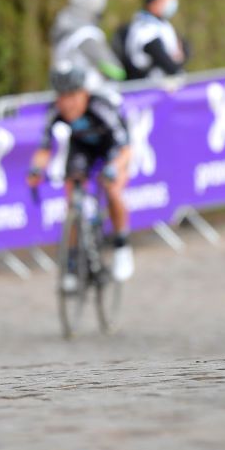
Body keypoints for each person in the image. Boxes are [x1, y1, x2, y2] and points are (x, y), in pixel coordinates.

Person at [27, 61, 133, 291]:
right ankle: (73, 263)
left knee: (113, 188)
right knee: (71, 198)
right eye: (61, 96)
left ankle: (122, 246)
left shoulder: (101, 108)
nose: (66, 103)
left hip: (112, 149)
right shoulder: (55, 111)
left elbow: (126, 149)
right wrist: (35, 169)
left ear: (84, 93)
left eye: (72, 96)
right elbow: (44, 148)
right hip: (82, 148)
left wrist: (114, 167)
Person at [50, 0, 125, 89]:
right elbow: (115, 71)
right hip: (87, 96)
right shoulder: (85, 35)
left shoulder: (62, 29)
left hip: (63, 93)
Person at [122, 0, 187, 79]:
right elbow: (167, 64)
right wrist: (178, 60)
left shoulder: (162, 24)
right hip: (149, 90)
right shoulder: (144, 29)